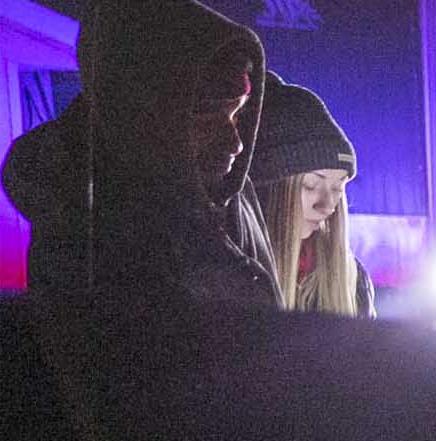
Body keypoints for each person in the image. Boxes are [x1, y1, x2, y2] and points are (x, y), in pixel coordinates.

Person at [3, 0, 279, 310]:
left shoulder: (233, 197)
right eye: (205, 116)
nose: (236, 144)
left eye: (237, 116)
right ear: (142, 114)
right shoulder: (86, 235)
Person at [251, 76, 375, 317]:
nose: (328, 205)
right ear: (269, 186)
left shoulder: (352, 279)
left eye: (338, 188)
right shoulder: (233, 273)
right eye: (311, 185)